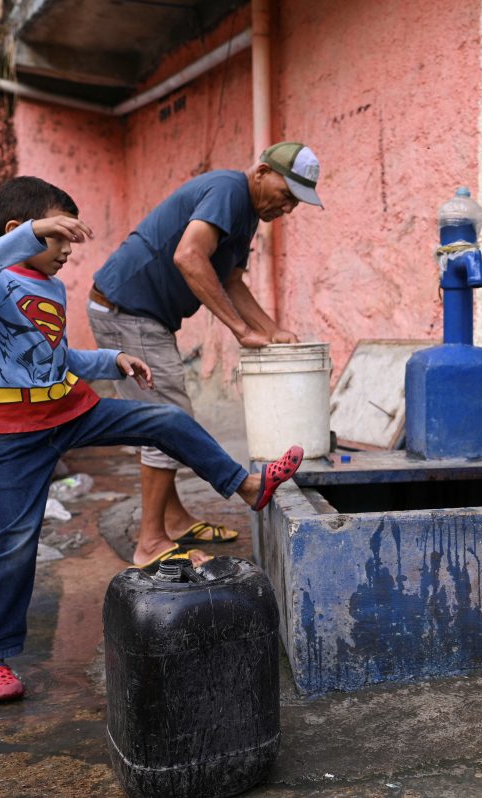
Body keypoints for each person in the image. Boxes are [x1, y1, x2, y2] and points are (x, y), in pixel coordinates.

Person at [0, 176, 304, 704]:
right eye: (59, 238)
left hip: (69, 412)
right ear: (19, 232)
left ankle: (248, 486)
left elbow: (56, 358)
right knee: (15, 544)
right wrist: (33, 230)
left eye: (69, 240)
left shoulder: (48, 287)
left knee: (163, 420)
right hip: (11, 437)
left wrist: (109, 359)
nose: (68, 252)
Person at [88, 142, 323, 566]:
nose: (287, 209)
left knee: (163, 418)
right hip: (129, 311)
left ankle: (173, 519)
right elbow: (189, 255)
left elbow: (230, 280)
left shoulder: (246, 213)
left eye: (296, 204)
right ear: (262, 172)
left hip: (141, 314)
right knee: (166, 422)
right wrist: (238, 329)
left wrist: (272, 332)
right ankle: (151, 542)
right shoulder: (230, 189)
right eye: (286, 195)